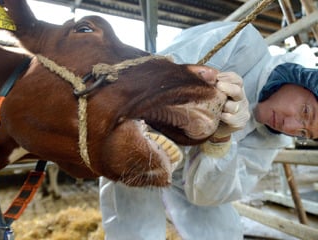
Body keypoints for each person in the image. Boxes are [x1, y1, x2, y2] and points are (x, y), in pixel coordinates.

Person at [99, 21, 318, 240]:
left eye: (302, 133)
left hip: (186, 179)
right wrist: (210, 95)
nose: (290, 127)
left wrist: (222, 140)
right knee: (135, 231)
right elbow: (163, 72)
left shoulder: (268, 144)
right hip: (143, 135)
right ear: (300, 79)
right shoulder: (244, 45)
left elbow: (209, 196)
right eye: (306, 112)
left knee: (225, 235)